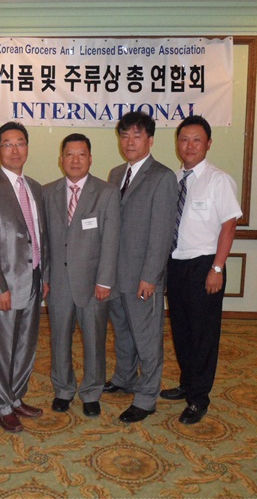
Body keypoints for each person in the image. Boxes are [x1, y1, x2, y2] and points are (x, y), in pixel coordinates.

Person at [161, 115, 242, 424]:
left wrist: (217, 268)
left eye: (196, 140)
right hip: (176, 264)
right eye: (184, 139)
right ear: (177, 144)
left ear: (208, 144)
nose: (189, 145)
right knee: (181, 331)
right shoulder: (174, 179)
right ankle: (187, 383)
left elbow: (229, 227)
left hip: (205, 264)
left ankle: (198, 399)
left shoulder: (219, 180)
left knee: (203, 335)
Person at [0, 121, 50, 433]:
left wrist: (45, 276)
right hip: (5, 284)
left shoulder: (35, 187)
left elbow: (40, 236)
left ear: (27, 148)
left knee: (25, 345)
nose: (14, 150)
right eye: (8, 144)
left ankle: (16, 396)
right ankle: (1, 405)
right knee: (2, 348)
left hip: (34, 279)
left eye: (20, 143)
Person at [104, 111, 178, 423]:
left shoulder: (162, 177)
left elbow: (162, 233)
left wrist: (150, 276)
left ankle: (146, 398)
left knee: (147, 338)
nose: (129, 142)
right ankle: (124, 378)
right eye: (124, 135)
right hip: (115, 274)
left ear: (150, 140)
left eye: (137, 135)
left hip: (143, 278)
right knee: (122, 332)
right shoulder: (115, 173)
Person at [43, 133, 120, 417]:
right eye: (69, 154)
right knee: (59, 339)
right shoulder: (47, 192)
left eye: (81, 154)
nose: (75, 160)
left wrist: (105, 280)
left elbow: (111, 240)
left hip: (93, 283)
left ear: (90, 158)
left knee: (95, 340)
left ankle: (91, 392)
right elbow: (44, 241)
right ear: (60, 159)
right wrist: (45, 278)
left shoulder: (107, 192)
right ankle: (63, 389)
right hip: (58, 283)